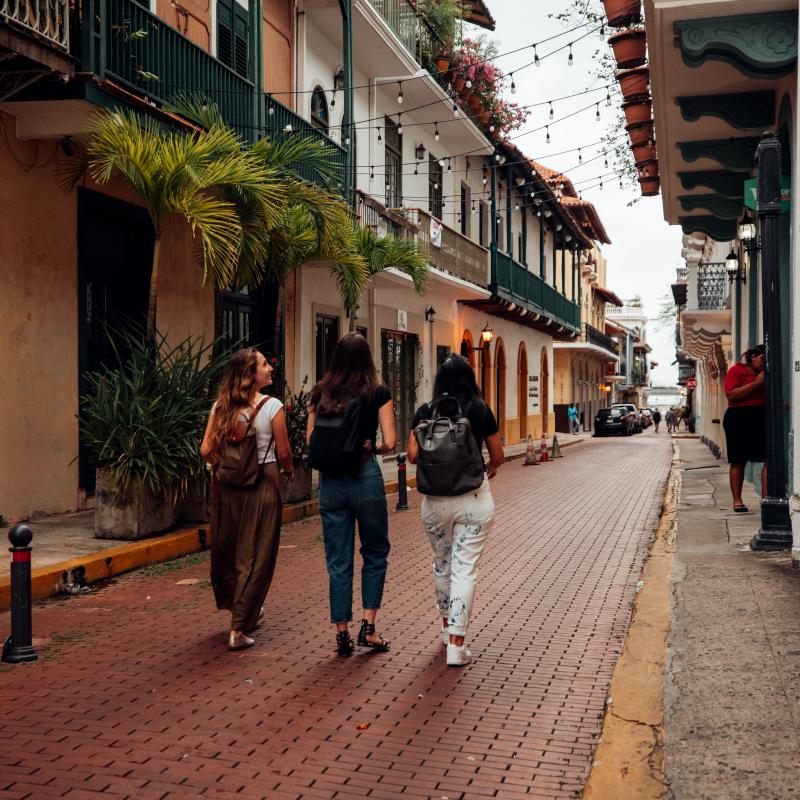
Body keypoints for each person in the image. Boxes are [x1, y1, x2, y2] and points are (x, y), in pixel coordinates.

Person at [406, 355, 505, 667]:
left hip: (434, 502)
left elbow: (411, 455)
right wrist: (489, 467)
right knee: (465, 569)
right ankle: (456, 646)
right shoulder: (478, 408)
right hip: (473, 499)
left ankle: (446, 629)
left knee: (442, 565)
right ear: (469, 377)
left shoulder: (425, 411)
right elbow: (499, 455)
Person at [306, 333, 397, 657]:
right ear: (367, 359)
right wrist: (372, 445)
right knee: (374, 552)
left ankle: (341, 632)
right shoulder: (377, 392)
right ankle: (368, 627)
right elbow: (390, 441)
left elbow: (310, 439)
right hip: (364, 476)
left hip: (330, 483)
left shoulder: (320, 392)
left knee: (338, 559)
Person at [200, 348, 293, 651]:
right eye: (265, 365)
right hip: (263, 484)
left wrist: (227, 463)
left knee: (229, 550)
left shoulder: (220, 407)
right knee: (257, 555)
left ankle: (244, 611)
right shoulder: (272, 406)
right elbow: (283, 452)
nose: (270, 369)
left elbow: (205, 452)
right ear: (251, 374)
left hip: (227, 487)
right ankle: (238, 628)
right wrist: (288, 471)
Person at [723, 345, 767, 512]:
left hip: (759, 418)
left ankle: (766, 500)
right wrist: (756, 384)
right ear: (753, 357)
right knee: (738, 460)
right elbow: (731, 395)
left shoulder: (764, 375)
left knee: (768, 458)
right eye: (762, 359)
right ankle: (737, 501)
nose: (764, 363)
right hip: (738, 418)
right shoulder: (737, 370)